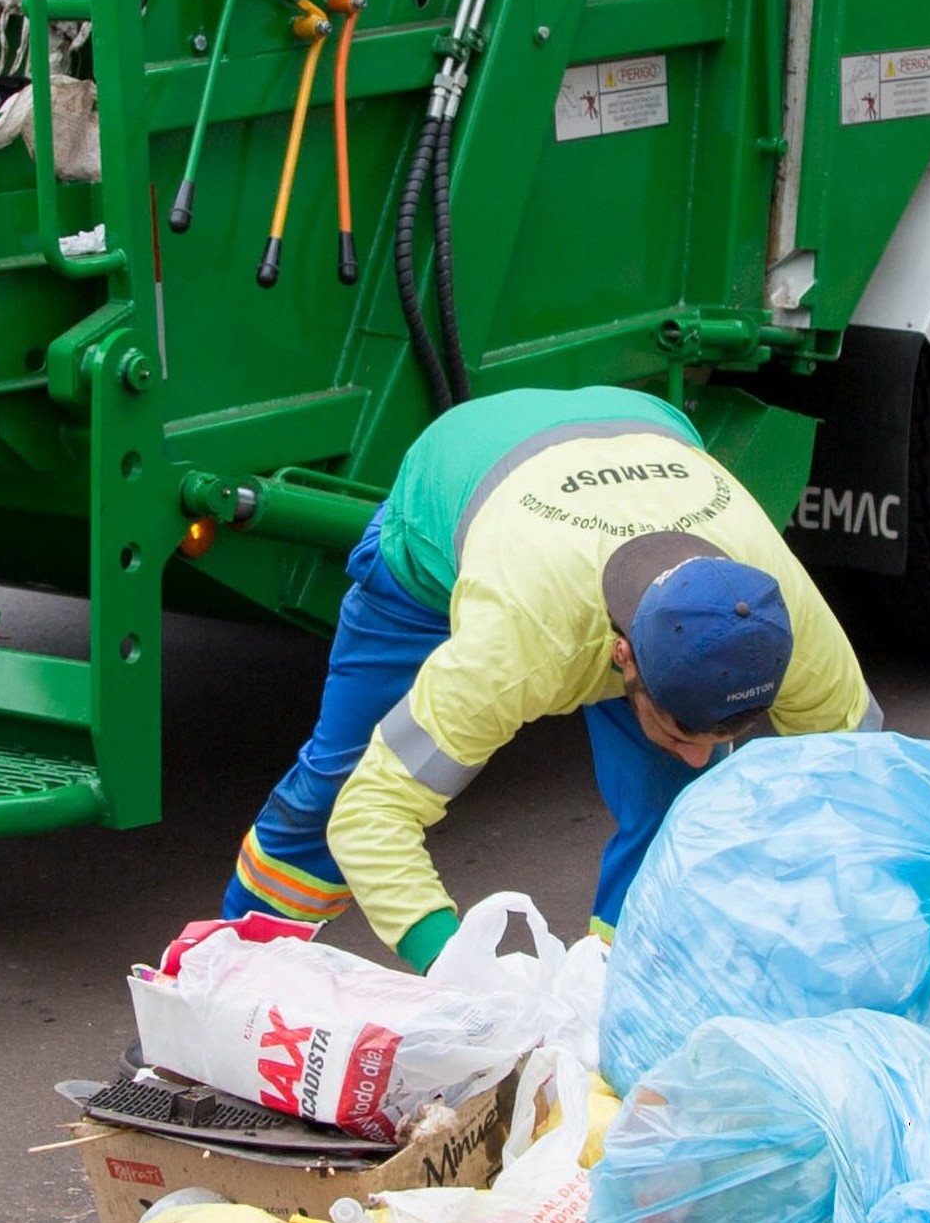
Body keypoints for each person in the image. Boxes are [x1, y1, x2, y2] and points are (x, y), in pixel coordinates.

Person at [222, 385, 878, 969]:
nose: (703, 753)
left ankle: (626, 1001)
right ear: (623, 655)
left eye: (724, 733)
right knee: (338, 781)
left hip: (638, 433)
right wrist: (459, 974)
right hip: (455, 489)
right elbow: (371, 813)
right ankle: (219, 982)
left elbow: (868, 785)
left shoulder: (776, 611)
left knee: (679, 801)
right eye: (683, 728)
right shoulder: (520, 638)